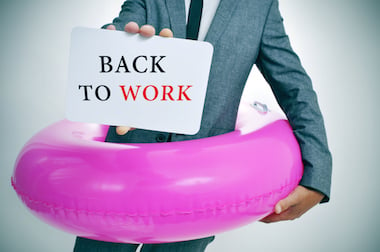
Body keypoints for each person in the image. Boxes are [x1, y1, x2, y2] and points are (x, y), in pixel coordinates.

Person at [73, 0, 332, 251]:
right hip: (124, 175)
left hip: (198, 188)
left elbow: (295, 87)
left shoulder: (260, 5)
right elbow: (123, 28)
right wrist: (110, 42)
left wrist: (316, 177)